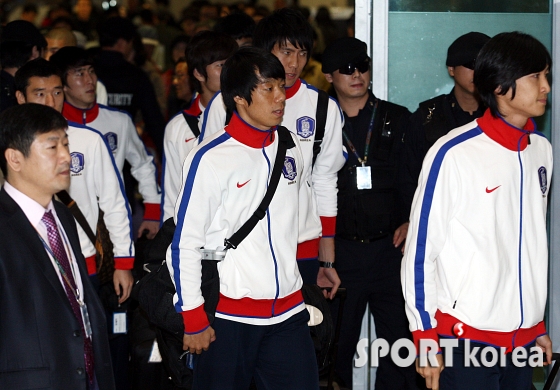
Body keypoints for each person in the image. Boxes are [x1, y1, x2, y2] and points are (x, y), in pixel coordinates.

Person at [402, 31, 553, 390]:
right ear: (500, 87)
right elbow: (421, 252)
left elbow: (528, 247)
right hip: (466, 341)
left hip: (522, 344)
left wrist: (537, 326)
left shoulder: (541, 151)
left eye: (547, 75)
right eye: (535, 77)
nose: (546, 87)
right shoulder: (452, 152)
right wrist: (424, 337)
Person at [168, 46, 318, 390]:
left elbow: (303, 218)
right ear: (239, 98)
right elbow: (185, 242)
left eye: (281, 86)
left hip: (289, 312)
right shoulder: (210, 158)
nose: (280, 97)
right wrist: (193, 316)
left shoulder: (288, 145)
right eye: (268, 89)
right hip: (229, 317)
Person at [200, 8, 345, 296]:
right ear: (265, 51)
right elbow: (207, 178)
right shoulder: (227, 103)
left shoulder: (322, 107)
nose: (294, 63)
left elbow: (325, 179)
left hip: (300, 242)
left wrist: (326, 248)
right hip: (241, 244)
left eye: (303, 54)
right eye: (286, 52)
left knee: (303, 332)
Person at [322, 37, 417, 389]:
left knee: (401, 348)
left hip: (389, 250)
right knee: (335, 348)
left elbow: (413, 177)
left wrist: (411, 219)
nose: (357, 74)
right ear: (329, 76)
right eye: (347, 69)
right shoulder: (320, 123)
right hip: (340, 253)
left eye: (362, 66)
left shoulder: (398, 118)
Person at [0, 103, 115, 389]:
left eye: (66, 144)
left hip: (87, 376)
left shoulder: (62, 215)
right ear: (15, 158)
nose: (66, 156)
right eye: (52, 147)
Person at [14, 58, 135, 297]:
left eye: (56, 92)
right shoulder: (9, 146)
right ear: (20, 97)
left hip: (82, 260)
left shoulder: (89, 140)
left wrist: (123, 263)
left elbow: (114, 202)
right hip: (23, 264)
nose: (50, 102)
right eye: (40, 94)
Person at [50, 46, 161, 239]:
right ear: (63, 84)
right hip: (67, 225)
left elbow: (143, 164)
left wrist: (152, 209)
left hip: (114, 224)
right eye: (79, 74)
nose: (89, 80)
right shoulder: (51, 127)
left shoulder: (119, 120)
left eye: (91, 72)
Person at [401, 32, 490, 217]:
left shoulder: (501, 115)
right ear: (451, 69)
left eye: (484, 66)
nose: (478, 72)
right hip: (438, 217)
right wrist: (409, 220)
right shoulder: (427, 117)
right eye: (472, 65)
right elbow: (408, 177)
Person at [161, 31, 237, 221]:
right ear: (198, 73)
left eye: (232, 64)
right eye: (220, 66)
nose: (229, 72)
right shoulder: (178, 127)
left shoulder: (250, 116)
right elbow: (172, 194)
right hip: (196, 232)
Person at [94, 16, 166, 155]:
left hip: (91, 151)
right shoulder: (136, 76)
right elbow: (154, 121)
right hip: (125, 152)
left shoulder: (88, 72)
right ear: (122, 43)